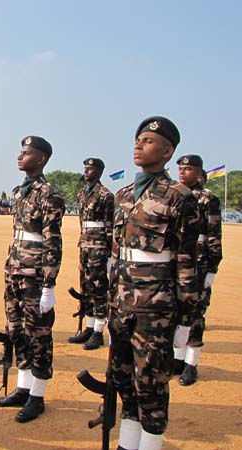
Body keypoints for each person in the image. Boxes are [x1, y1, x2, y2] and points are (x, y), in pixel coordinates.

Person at [109, 117, 199, 450]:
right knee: (122, 378)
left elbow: (187, 262)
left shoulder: (179, 196)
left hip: (156, 306)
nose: (138, 144)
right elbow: (116, 253)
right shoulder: (123, 194)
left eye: (147, 140)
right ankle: (127, 443)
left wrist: (186, 320)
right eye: (137, 139)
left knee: (151, 383)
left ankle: (150, 445)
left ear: (167, 151)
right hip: (121, 302)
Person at [0, 135, 65, 423]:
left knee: (39, 334)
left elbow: (53, 241)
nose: (20, 156)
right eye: (20, 151)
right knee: (16, 330)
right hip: (15, 268)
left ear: (42, 158)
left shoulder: (50, 194)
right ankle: (23, 387)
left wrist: (49, 284)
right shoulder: (17, 191)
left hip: (36, 273)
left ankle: (38, 395)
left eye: (26, 152)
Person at [174, 155, 222, 386]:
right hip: (176, 259)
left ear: (199, 172)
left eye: (189, 169)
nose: (183, 172)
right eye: (181, 168)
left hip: (199, 260)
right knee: (176, 310)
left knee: (195, 314)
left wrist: (212, 267)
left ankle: (191, 364)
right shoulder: (175, 194)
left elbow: (214, 234)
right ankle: (177, 359)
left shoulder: (208, 199)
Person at [68, 158, 114, 350]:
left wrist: (110, 254)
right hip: (85, 245)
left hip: (99, 247)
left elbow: (111, 226)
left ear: (100, 171)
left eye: (91, 168)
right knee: (85, 287)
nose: (87, 171)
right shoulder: (82, 193)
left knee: (99, 289)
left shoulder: (106, 195)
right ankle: (88, 327)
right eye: (85, 168)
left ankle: (98, 331)